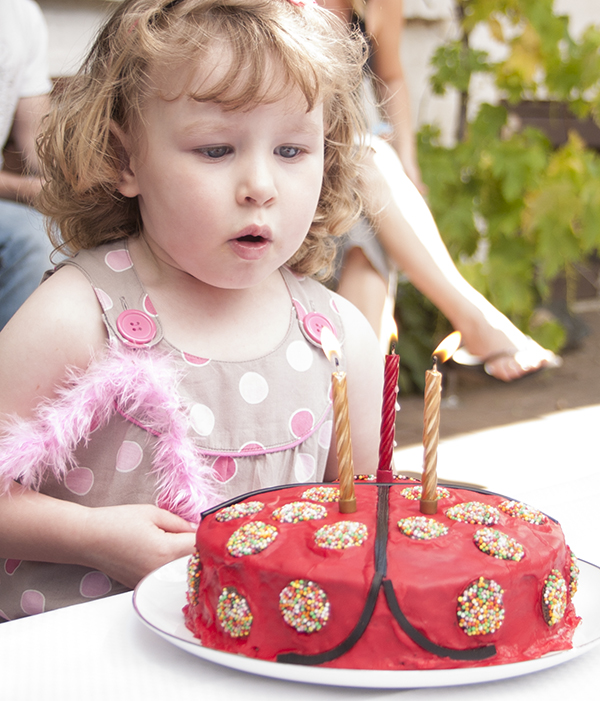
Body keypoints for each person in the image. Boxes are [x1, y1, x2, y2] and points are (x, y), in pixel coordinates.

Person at [0, 0, 383, 620]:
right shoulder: (79, 315)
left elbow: (365, 509)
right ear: (126, 160)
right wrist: (93, 539)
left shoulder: (339, 340)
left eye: (291, 150)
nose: (260, 184)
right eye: (214, 150)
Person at [322, 0, 559, 381]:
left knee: (366, 231)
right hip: (292, 150)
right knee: (369, 158)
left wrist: (408, 163)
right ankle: (475, 320)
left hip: (351, 161)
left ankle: (353, 414)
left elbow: (391, 77)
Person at [0, 0, 54, 330]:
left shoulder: (20, 13)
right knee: (35, 239)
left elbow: (38, 138)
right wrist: (25, 189)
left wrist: (69, 182)